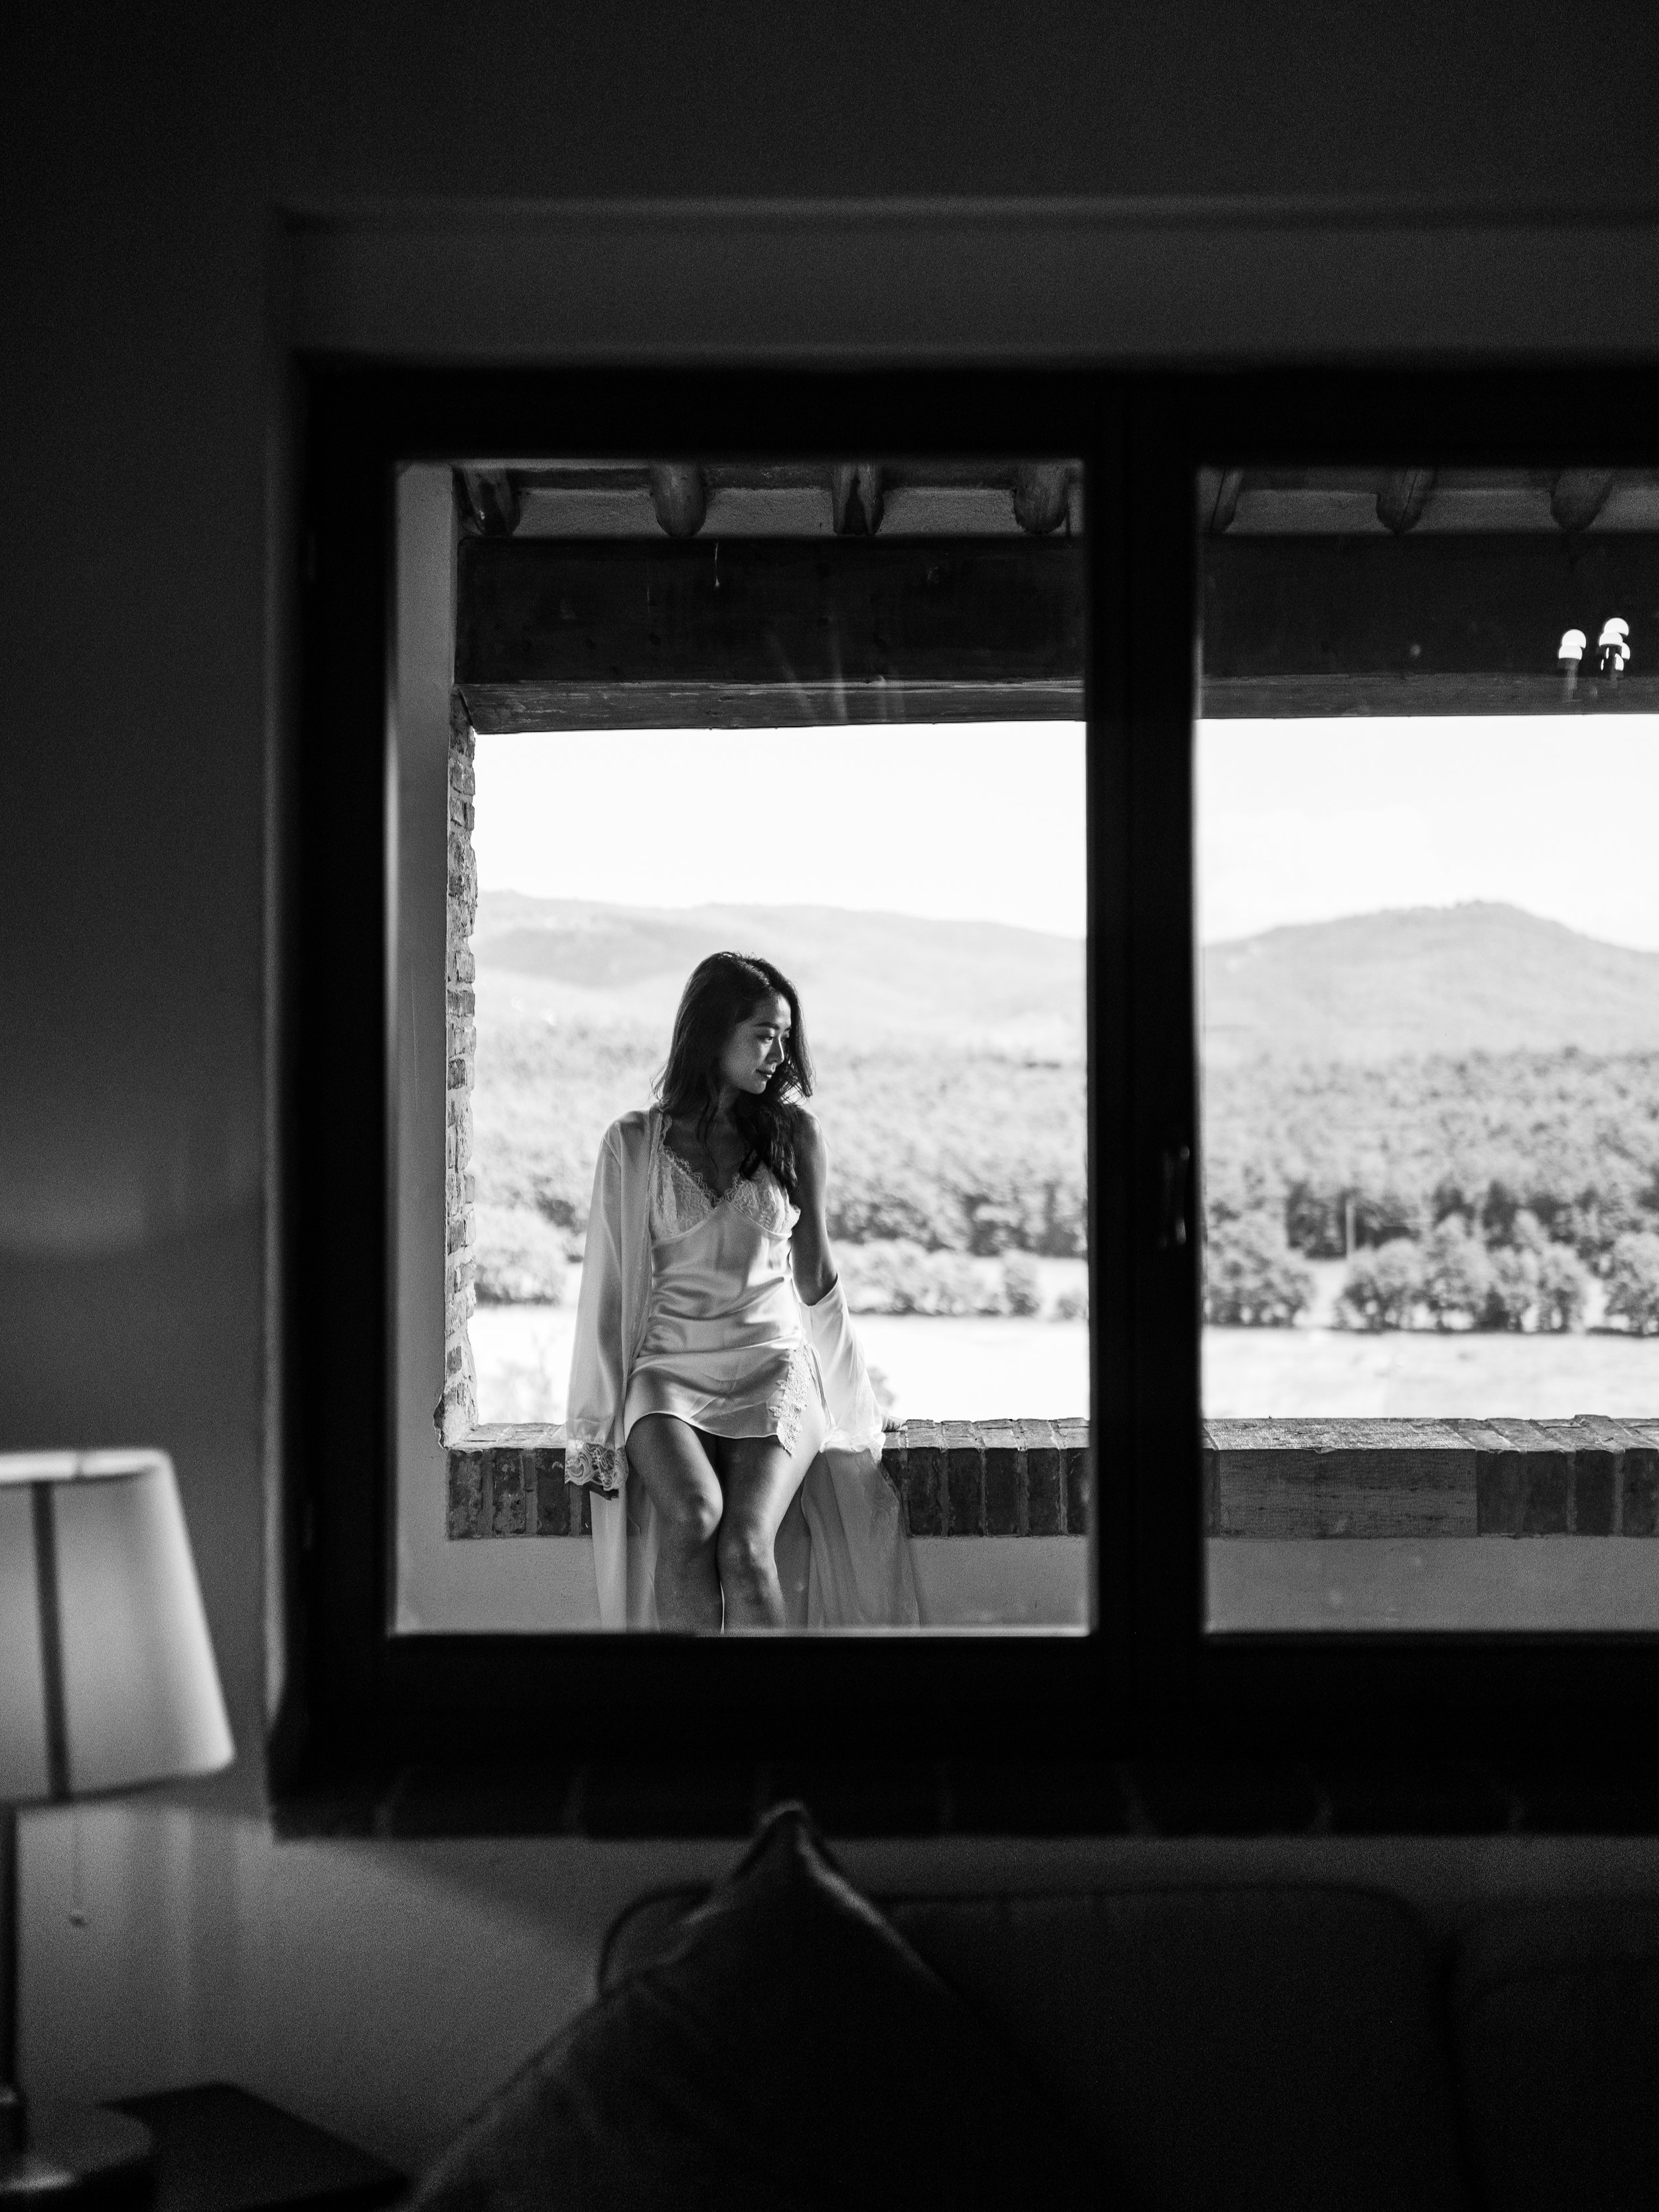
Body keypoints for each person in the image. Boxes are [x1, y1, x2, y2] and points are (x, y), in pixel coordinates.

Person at [565, 951, 918, 1631]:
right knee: (692, 1514)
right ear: (711, 1031)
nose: (779, 1054)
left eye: (786, 1037)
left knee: (746, 1547)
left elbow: (816, 1276)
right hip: (665, 1371)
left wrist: (857, 1403)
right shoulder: (633, 1143)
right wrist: (594, 1424)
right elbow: (605, 1292)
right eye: (763, 1033)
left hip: (773, 1366)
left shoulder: (796, 1137)